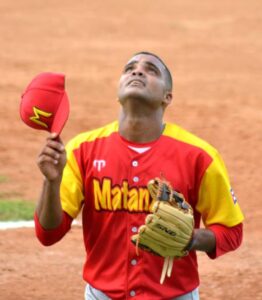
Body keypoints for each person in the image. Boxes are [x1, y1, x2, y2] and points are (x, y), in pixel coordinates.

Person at [34, 51, 244, 300]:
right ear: (118, 91)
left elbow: (232, 232)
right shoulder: (82, 151)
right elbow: (48, 233)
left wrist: (193, 239)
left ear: (168, 97)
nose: (137, 71)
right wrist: (51, 181)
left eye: (151, 70)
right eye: (129, 68)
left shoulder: (199, 157)